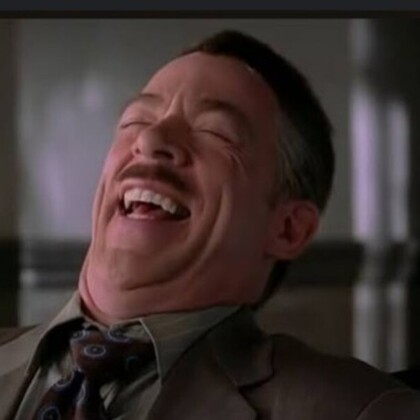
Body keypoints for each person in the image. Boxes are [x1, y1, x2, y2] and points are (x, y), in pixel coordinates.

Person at [0, 30, 419, 420]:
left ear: (288, 229)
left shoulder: (358, 410)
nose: (150, 140)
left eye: (214, 132)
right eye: (135, 121)